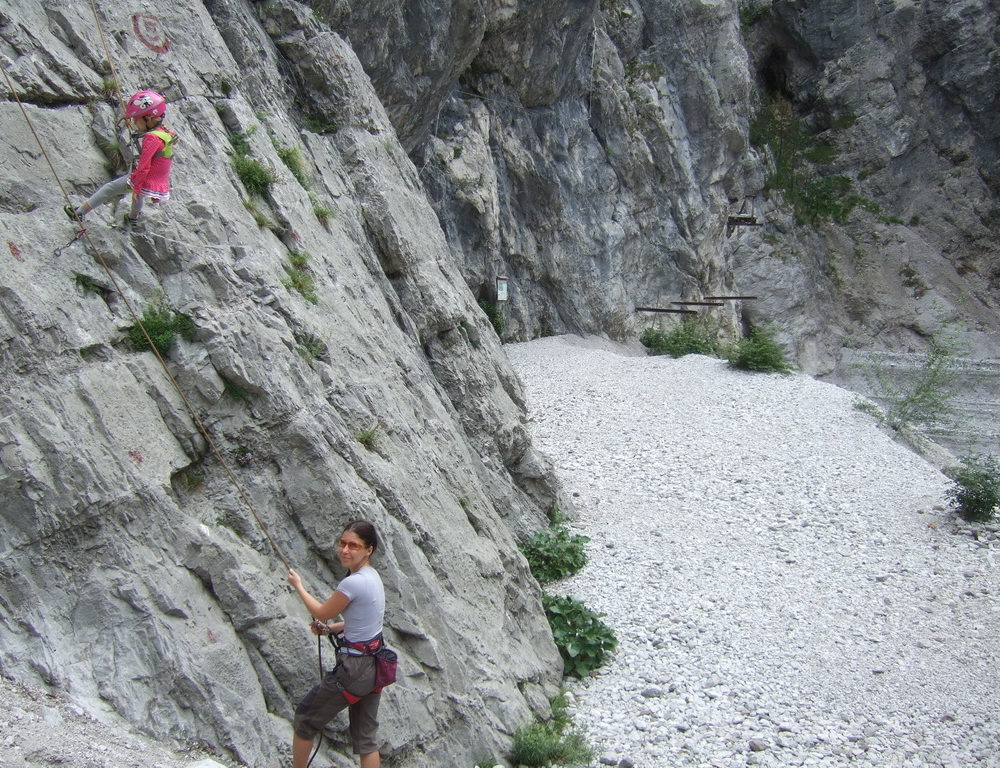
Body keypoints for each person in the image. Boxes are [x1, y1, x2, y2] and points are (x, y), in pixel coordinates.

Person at [287, 520, 386, 768]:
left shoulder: (353, 583)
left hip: (354, 668)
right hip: (375, 663)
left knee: (305, 720)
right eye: (342, 543)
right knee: (366, 740)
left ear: (369, 550)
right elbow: (365, 620)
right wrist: (331, 630)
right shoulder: (373, 577)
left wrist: (298, 585)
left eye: (354, 545)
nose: (345, 550)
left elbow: (321, 612)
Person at [65, 90, 177, 225]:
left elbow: (144, 165)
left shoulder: (151, 137)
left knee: (110, 189)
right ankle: (132, 218)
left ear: (149, 118)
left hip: (146, 178)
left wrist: (136, 187)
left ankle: (79, 212)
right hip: (158, 181)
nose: (135, 123)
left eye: (137, 119)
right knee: (138, 195)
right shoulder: (166, 133)